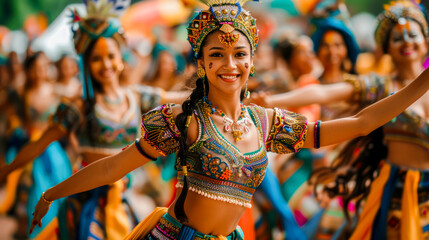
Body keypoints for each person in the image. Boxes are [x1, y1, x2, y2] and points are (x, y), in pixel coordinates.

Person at [29, 0, 429, 239]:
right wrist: (52, 193)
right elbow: (115, 165)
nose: (229, 63)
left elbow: (360, 124)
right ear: (201, 65)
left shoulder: (267, 123)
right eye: (216, 54)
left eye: (239, 53)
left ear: (251, 61)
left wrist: (421, 83)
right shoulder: (184, 120)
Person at [0, 2, 187, 239]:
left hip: (126, 197)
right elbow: (39, 145)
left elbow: (181, 99)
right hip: (86, 200)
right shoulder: (78, 106)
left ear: (121, 58)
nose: (106, 64)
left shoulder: (136, 96)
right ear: (86, 64)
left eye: (111, 55)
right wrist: (6, 171)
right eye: (96, 58)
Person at [253, 1, 429, 239]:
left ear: (426, 41)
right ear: (386, 47)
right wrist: (273, 100)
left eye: (412, 34)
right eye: (397, 38)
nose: (407, 41)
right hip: (394, 192)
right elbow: (322, 92)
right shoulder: (382, 86)